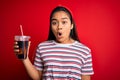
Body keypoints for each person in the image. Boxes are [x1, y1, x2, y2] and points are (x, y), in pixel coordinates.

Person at [14, 6, 94, 80]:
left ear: (71, 25)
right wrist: (25, 58)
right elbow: (38, 76)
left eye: (64, 22)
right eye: (54, 23)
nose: (59, 27)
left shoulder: (85, 51)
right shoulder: (42, 47)